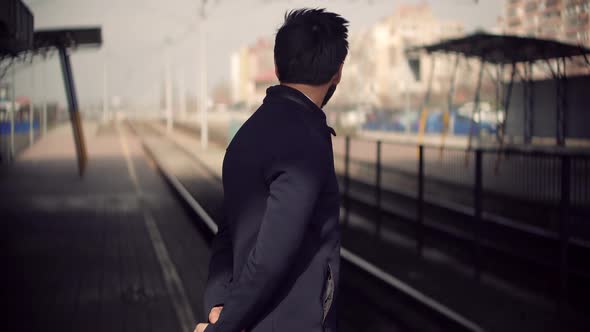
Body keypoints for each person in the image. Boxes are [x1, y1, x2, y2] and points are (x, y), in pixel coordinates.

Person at [195, 7, 348, 332]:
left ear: (277, 67)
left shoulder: (247, 134)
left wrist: (218, 302)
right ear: (338, 72)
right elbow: (272, 256)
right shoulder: (306, 142)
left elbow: (228, 229)